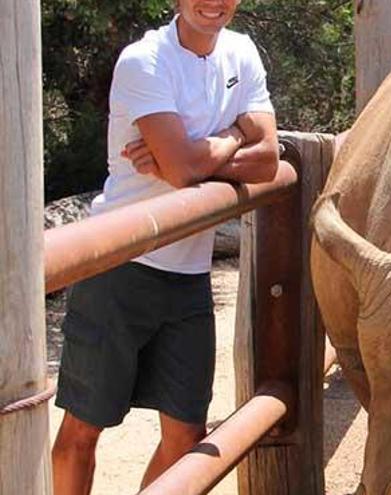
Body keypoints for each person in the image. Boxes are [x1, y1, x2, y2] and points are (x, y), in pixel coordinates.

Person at [51, 0, 279, 493]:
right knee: (83, 428)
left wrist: (199, 155)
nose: (213, 2)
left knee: (187, 436)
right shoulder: (144, 60)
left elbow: (266, 161)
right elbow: (186, 167)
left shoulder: (241, 53)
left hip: (188, 276)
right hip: (120, 264)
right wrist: (234, 136)